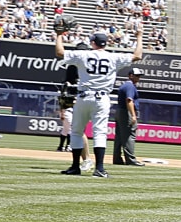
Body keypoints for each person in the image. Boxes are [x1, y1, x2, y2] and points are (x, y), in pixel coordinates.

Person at [56, 28, 142, 178]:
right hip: (102, 98)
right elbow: (137, 55)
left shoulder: (84, 54)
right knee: (100, 133)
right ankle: (100, 168)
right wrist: (139, 36)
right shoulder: (113, 57)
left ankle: (75, 166)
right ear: (105, 43)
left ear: (93, 43)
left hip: (83, 97)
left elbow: (60, 52)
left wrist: (58, 35)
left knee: (76, 131)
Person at [114, 67, 145, 166]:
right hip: (126, 112)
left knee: (119, 136)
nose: (138, 78)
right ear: (130, 75)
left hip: (120, 111)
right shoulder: (130, 86)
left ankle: (117, 158)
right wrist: (133, 115)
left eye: (139, 76)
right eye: (136, 76)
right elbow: (129, 100)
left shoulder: (125, 85)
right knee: (129, 136)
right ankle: (130, 159)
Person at [56, 50, 83, 151]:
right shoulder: (67, 86)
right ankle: (68, 146)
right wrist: (62, 112)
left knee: (66, 129)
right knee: (70, 128)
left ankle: (61, 146)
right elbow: (62, 99)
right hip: (68, 108)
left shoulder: (78, 86)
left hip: (76, 108)